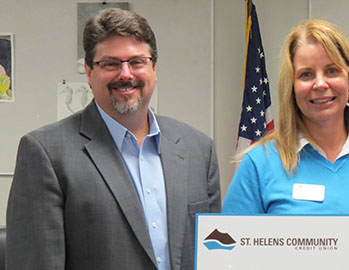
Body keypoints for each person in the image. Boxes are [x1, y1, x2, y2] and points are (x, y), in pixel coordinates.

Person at [6, 8, 221, 270]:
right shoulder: (46, 153)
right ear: (88, 71)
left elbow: (212, 258)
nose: (126, 74)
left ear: (154, 67)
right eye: (111, 63)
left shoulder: (199, 150)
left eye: (137, 62)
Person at [222, 19, 349, 215]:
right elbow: (232, 244)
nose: (320, 84)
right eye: (306, 75)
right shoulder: (259, 163)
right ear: (291, 87)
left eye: (332, 71)